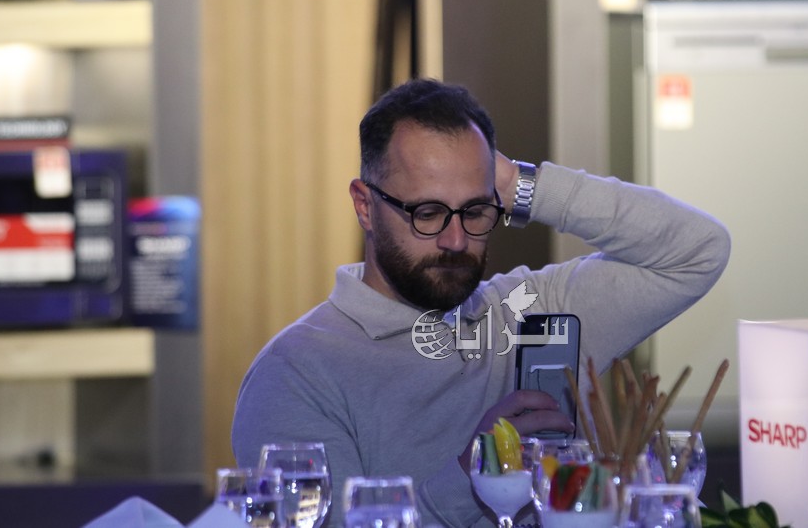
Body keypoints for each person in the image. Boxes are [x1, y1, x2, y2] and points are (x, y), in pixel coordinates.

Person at [231, 78, 730, 527]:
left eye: (475, 211)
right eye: (427, 212)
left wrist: (517, 184)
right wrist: (476, 472)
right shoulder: (297, 371)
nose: (455, 240)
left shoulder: (528, 309)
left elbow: (698, 250)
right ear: (365, 205)